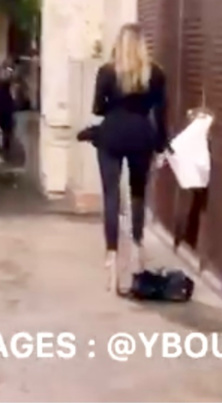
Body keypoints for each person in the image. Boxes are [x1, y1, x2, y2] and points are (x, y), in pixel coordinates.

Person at [92, 23, 169, 292]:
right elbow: (160, 115)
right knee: (138, 193)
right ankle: (136, 248)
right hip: (141, 136)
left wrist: (114, 105)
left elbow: (98, 108)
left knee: (111, 196)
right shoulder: (156, 74)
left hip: (111, 134)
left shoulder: (106, 72)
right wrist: (161, 146)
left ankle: (112, 257)